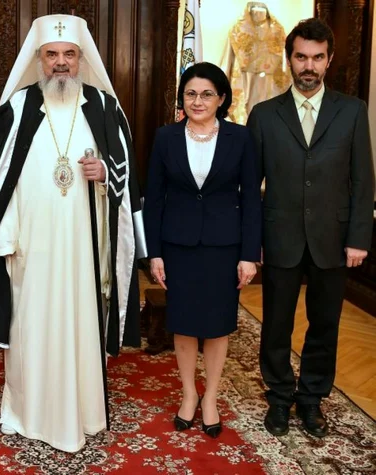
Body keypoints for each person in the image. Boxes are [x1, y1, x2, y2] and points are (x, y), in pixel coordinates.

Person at [0, 14, 146, 452]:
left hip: (83, 252)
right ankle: (27, 411)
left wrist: (105, 174)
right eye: (51, 54)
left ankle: (83, 411)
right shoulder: (14, 111)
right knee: (29, 327)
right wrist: (5, 236)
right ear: (38, 59)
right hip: (30, 251)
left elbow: (128, 186)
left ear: (81, 58)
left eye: (69, 54)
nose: (61, 63)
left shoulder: (105, 109)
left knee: (79, 324)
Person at [247, 18, 374, 438]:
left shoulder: (353, 111)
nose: (309, 66)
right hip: (278, 235)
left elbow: (363, 179)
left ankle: (311, 400)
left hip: (333, 240)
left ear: (329, 60)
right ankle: (280, 398)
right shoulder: (264, 115)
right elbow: (250, 187)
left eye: (317, 58)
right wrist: (253, 242)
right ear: (289, 59)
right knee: (277, 324)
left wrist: (358, 237)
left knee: (325, 325)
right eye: (301, 57)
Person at [144, 62, 261, 438]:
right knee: (183, 325)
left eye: (207, 93)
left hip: (223, 247)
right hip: (178, 246)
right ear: (182, 98)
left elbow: (252, 202)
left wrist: (249, 254)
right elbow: (154, 200)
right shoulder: (165, 137)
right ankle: (189, 395)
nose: (198, 100)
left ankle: (210, 397)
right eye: (191, 93)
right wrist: (155, 253)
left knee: (217, 326)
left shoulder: (240, 139)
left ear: (221, 98)